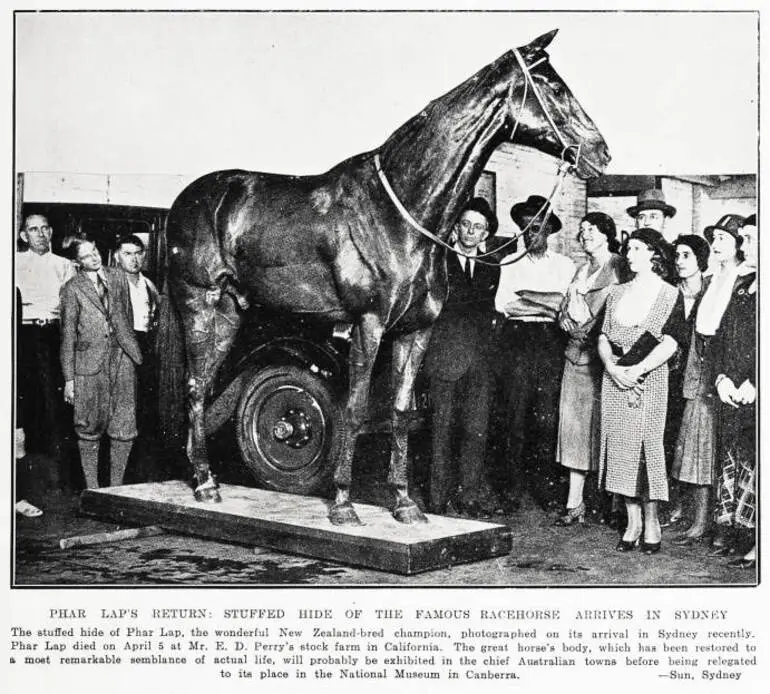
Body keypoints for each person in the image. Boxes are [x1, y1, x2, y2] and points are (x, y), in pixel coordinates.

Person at [597, 228, 686, 555]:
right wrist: (611, 367)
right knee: (620, 450)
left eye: (636, 248)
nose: (629, 254)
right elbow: (604, 336)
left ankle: (652, 522)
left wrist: (636, 370)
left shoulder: (669, 294)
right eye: (628, 249)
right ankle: (632, 521)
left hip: (647, 379)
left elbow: (673, 341)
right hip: (615, 378)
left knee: (646, 449)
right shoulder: (616, 292)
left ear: (654, 253)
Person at [495, 195, 575, 510]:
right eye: (526, 228)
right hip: (517, 339)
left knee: (546, 417)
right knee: (514, 414)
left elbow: (563, 306)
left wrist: (529, 296)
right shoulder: (508, 263)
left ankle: (544, 487)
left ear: (548, 231)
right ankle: (512, 488)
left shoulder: (565, 265)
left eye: (537, 228)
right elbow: (505, 304)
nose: (531, 234)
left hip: (550, 341)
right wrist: (548, 301)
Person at [423, 198, 502, 517]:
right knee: (441, 430)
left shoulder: (492, 265)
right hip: (445, 357)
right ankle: (437, 499)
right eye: (465, 224)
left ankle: (468, 494)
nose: (470, 231)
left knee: (475, 431)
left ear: (485, 233)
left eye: (478, 227)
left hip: (481, 362)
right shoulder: (437, 260)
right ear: (455, 228)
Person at [671, 215, 744, 545]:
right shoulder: (716, 278)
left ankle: (717, 523)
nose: (716, 245)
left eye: (723, 239)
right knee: (698, 445)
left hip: (724, 367)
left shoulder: (744, 279)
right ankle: (701, 520)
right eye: (714, 238)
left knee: (719, 448)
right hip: (701, 366)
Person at [554, 212, 625, 525]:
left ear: (607, 234)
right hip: (575, 359)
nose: (584, 235)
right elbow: (562, 310)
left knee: (607, 430)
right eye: (581, 230)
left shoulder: (618, 265)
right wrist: (564, 321)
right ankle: (575, 504)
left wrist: (591, 329)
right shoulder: (580, 269)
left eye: (592, 229)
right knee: (574, 432)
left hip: (604, 361)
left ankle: (615, 504)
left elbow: (622, 309)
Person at [60, 239, 143, 489]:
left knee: (124, 424)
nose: (94, 258)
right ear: (77, 262)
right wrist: (69, 380)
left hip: (123, 357)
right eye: (86, 256)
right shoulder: (72, 288)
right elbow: (67, 336)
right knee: (88, 426)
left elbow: (131, 308)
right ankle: (93, 490)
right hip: (88, 364)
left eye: (95, 251)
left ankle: (116, 489)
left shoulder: (118, 276)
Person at [16, 213, 76, 492]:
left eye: (43, 229)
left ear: (51, 232)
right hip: (23, 334)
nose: (39, 234)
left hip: (54, 334)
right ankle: (22, 478)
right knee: (24, 401)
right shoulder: (13, 263)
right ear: (23, 236)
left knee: (56, 403)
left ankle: (60, 474)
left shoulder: (64, 265)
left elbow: (71, 305)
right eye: (32, 229)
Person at [711, 214, 757, 568]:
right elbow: (722, 339)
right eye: (743, 238)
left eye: (753, 238)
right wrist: (722, 378)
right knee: (736, 460)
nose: (745, 246)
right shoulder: (744, 286)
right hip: (733, 390)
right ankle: (739, 534)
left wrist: (756, 382)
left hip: (756, 392)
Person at [663, 234, 710, 526]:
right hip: (670, 374)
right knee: (672, 440)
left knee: (696, 444)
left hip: (699, 378)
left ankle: (698, 512)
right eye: (677, 256)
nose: (680, 262)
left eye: (687, 256)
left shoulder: (713, 289)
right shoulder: (670, 293)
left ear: (700, 260)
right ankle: (677, 504)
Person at [114, 234, 160, 481]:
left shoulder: (149, 285)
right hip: (122, 347)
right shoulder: (111, 283)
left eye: (138, 253)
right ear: (117, 256)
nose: (134, 259)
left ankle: (140, 471)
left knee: (144, 408)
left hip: (146, 345)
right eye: (127, 253)